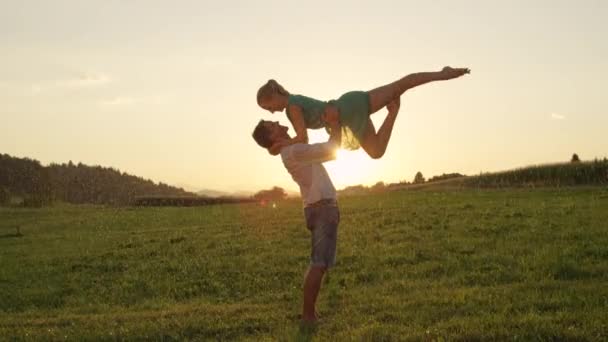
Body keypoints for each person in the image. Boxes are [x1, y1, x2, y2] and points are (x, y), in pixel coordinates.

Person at [251, 98, 401, 325]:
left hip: (317, 208)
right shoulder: (293, 150)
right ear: (273, 137)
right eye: (273, 125)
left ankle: (309, 314)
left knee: (319, 263)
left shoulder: (290, 150)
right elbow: (332, 151)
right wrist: (335, 122)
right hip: (322, 208)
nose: (279, 123)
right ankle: (308, 317)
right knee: (319, 263)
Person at [256, 66, 469, 158]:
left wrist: (284, 143)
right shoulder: (292, 105)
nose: (271, 112)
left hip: (345, 109)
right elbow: (302, 143)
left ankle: (442, 74)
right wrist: (281, 146)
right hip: (347, 109)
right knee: (376, 151)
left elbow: (302, 138)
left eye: (268, 107)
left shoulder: (292, 108)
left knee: (399, 87)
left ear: (272, 97)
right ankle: (393, 112)